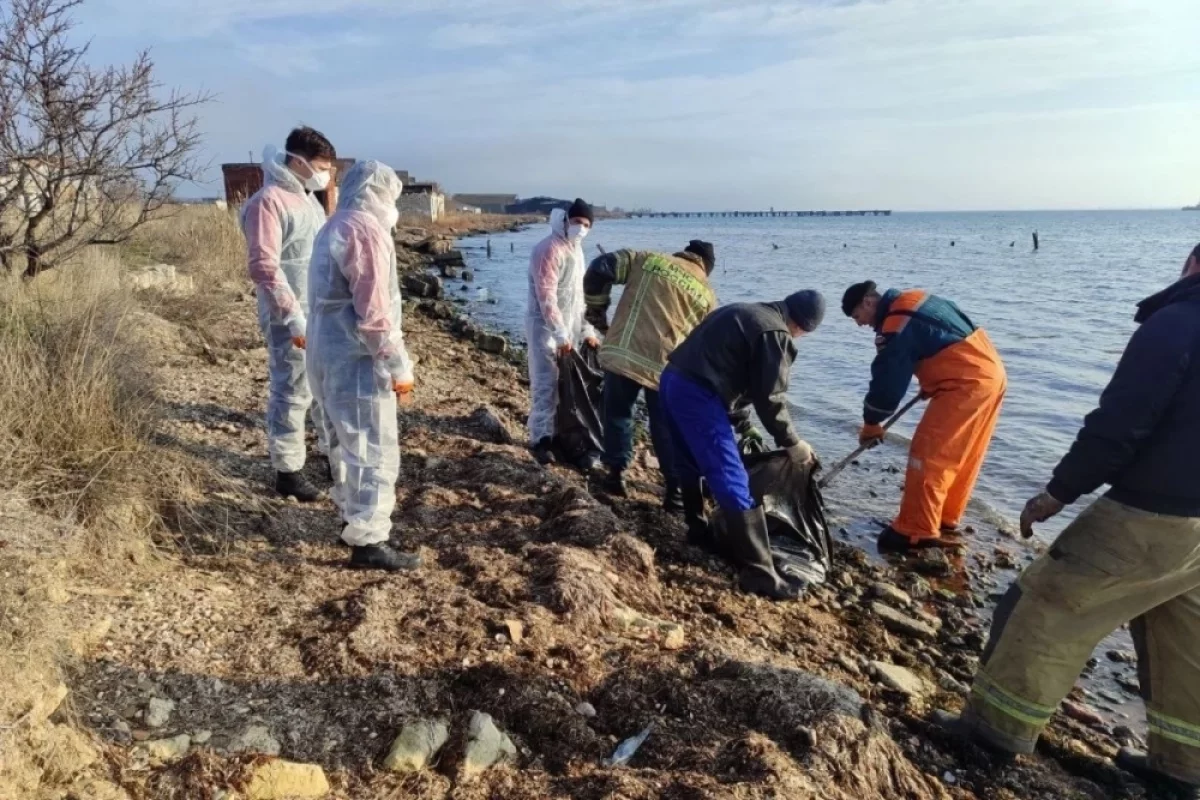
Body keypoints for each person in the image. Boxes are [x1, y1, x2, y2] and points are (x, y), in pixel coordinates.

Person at [932, 247, 1200, 796]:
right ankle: (1183, 769)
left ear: (1193, 265)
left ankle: (992, 735)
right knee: (1184, 638)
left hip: (1154, 512)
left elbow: (1120, 422)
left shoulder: (1177, 323)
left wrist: (1059, 491)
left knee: (1049, 604)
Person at [660, 292, 824, 600]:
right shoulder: (775, 333)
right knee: (729, 474)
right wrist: (792, 442)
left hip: (672, 379)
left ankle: (697, 531)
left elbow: (728, 368)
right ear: (801, 327)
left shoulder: (742, 311)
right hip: (699, 394)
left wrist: (742, 421)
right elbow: (771, 397)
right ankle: (760, 573)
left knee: (688, 461)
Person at [307, 160, 420, 572]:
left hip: (325, 351)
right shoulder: (367, 231)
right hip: (355, 358)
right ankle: (370, 540)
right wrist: (398, 367)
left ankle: (352, 521)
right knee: (373, 448)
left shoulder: (333, 225)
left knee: (342, 442)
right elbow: (375, 315)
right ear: (381, 193)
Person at [842, 282, 1006, 552]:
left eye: (857, 317)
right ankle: (944, 518)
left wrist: (872, 422)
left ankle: (916, 531)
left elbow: (888, 382)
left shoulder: (896, 323)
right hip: (992, 374)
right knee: (961, 455)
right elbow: (943, 337)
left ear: (868, 303)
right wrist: (933, 377)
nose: (860, 325)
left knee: (928, 454)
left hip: (965, 385)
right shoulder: (914, 298)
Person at [583, 240, 718, 508]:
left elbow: (601, 267)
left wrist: (597, 309)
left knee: (619, 414)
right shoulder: (707, 295)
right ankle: (674, 491)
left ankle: (616, 475)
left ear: (684, 253)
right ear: (705, 267)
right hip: (667, 368)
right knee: (666, 427)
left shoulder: (646, 259)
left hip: (625, 351)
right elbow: (705, 346)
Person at [240, 127, 336, 502]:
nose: (325, 174)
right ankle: (288, 469)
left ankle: (332, 455)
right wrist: (292, 315)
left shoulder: (307, 199)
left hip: (320, 309)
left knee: (323, 388)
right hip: (289, 313)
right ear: (297, 160)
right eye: (320, 166)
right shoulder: (269, 202)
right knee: (292, 389)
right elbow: (264, 265)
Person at [525, 198, 599, 466]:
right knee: (545, 383)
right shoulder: (549, 249)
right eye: (578, 222)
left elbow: (579, 298)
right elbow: (547, 298)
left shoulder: (576, 250)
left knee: (565, 386)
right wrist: (558, 334)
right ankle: (541, 439)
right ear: (567, 220)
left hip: (567, 328)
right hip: (544, 328)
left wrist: (587, 330)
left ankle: (560, 435)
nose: (581, 228)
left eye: (586, 224)